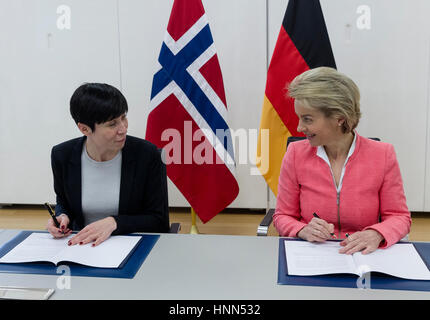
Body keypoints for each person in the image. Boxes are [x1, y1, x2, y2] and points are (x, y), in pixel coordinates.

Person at [273, 67, 411, 255]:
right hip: (312, 255)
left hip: (365, 257)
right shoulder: (295, 154)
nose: (299, 127)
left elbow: (399, 217)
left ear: (339, 118)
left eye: (308, 119)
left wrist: (376, 233)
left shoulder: (383, 154)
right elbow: (283, 215)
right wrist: (301, 230)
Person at [47, 83, 170, 246]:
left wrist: (114, 222)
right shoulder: (62, 155)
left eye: (123, 118)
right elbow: (64, 201)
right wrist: (62, 216)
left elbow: (159, 220)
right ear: (84, 129)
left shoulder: (149, 155)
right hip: (82, 247)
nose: (123, 128)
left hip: (130, 244)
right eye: (112, 124)